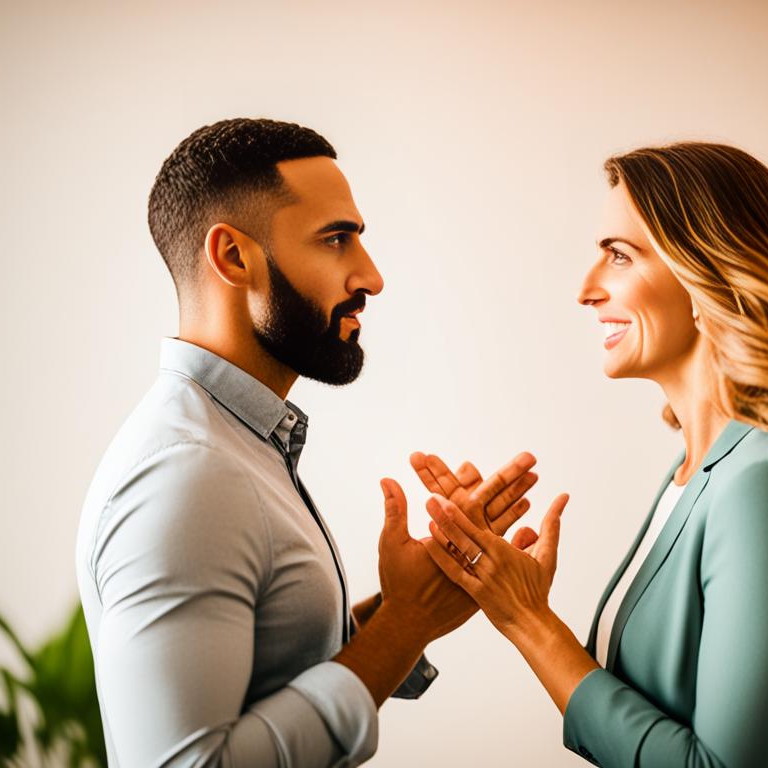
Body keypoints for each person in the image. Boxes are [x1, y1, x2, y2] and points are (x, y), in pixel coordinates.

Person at [75, 118, 541, 767]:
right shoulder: (187, 475)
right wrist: (405, 623)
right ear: (234, 257)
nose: (372, 277)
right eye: (336, 240)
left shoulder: (235, 446)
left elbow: (266, 677)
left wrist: (417, 600)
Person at [417, 142, 768, 767]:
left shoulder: (767, 482)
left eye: (619, 256)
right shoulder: (694, 472)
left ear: (708, 275)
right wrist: (507, 593)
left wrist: (529, 620)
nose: (586, 290)